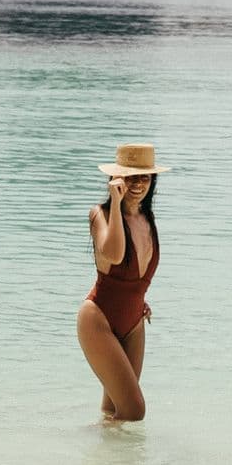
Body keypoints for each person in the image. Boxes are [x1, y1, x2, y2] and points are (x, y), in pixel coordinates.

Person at [77, 142, 169, 422]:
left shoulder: (147, 218)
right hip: (98, 320)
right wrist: (116, 203)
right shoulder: (100, 215)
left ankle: (108, 464)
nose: (138, 184)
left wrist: (138, 299)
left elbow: (137, 277)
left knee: (114, 409)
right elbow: (114, 255)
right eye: (130, 177)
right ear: (116, 179)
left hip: (133, 322)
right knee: (134, 410)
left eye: (145, 177)